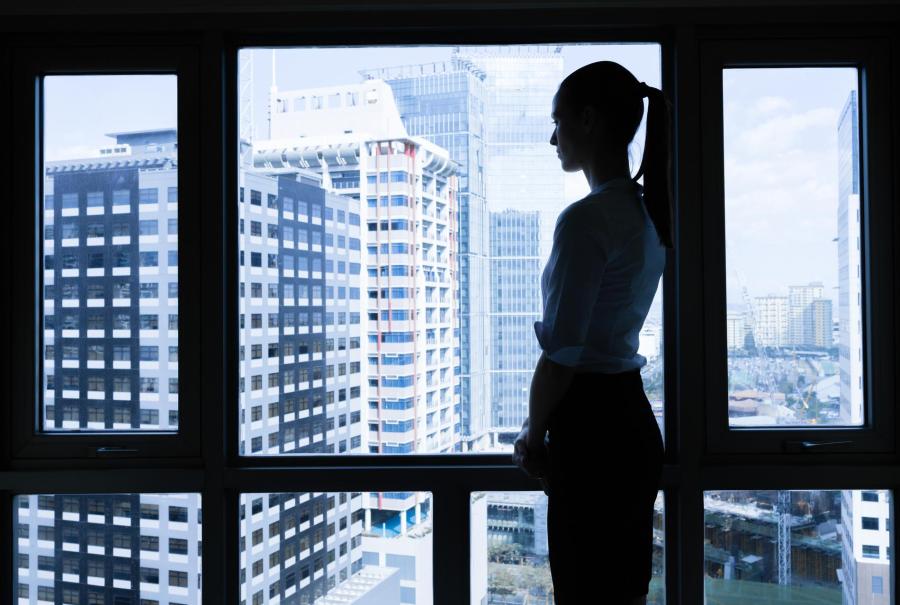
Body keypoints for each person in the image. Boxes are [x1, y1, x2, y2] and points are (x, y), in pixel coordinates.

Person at [510, 61, 674, 605]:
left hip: (593, 431)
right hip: (629, 422)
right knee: (621, 589)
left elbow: (561, 356)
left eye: (559, 122)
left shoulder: (586, 219)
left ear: (588, 120)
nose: (553, 137)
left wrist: (534, 440)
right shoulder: (647, 212)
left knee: (585, 590)